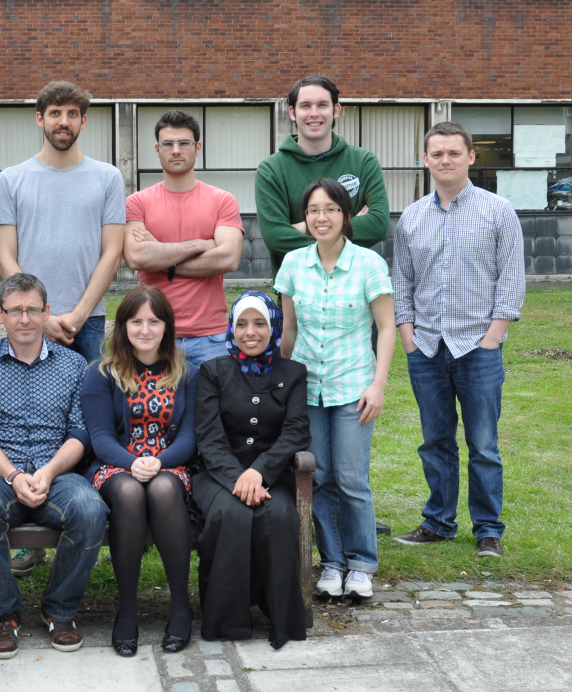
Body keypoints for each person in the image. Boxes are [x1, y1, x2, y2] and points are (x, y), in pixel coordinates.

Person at [391, 121, 525, 558]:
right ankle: (438, 523)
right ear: (425, 160)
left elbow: (511, 280)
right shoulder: (411, 217)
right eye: (437, 153)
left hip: (478, 348)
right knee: (435, 442)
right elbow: (402, 283)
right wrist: (408, 339)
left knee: (483, 444)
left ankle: (488, 529)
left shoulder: (498, 210)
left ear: (470, 156)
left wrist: (492, 339)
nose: (445, 160)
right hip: (427, 347)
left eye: (453, 152)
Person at [0, 273, 108, 659]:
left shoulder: (75, 364)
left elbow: (80, 432)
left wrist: (48, 472)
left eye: (32, 310)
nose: (24, 319)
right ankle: (3, 615)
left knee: (91, 509)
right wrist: (12, 474)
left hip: (56, 473)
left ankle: (60, 610)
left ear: (46, 312)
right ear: (0, 314)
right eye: (15, 311)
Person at [275, 178, 396, 601]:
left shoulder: (368, 264)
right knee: (318, 476)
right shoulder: (293, 264)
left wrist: (378, 385)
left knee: (351, 478)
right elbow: (289, 331)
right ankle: (332, 561)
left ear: (346, 215)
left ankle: (361, 564)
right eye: (313, 210)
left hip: (353, 387)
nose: (321, 217)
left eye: (330, 209)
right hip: (308, 390)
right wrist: (279, 383)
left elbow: (386, 328)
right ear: (305, 218)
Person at [80, 286, 199, 656]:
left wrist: (159, 462)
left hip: (170, 463)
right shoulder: (101, 373)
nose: (145, 330)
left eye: (154, 321)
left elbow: (190, 437)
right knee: (130, 493)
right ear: (122, 326)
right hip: (114, 465)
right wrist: (132, 463)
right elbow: (100, 437)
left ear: (167, 327)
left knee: (163, 489)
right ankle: (128, 609)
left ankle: (180, 606)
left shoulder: (188, 373)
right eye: (136, 322)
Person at [193, 291, 309, 649]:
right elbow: (209, 438)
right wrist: (238, 478)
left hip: (271, 475)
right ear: (231, 328)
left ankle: (280, 617)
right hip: (217, 475)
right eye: (241, 324)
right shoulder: (213, 372)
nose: (250, 332)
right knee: (230, 513)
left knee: (278, 514)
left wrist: (259, 473)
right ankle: (227, 621)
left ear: (274, 326)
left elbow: (296, 431)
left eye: (260, 323)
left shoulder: (293, 373)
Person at [0, 80, 126, 363]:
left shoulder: (108, 178)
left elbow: (112, 254)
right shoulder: (10, 180)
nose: (64, 121)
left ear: (83, 121)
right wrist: (38, 315)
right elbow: (4, 257)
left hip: (89, 321)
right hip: (28, 321)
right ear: (40, 119)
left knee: (91, 392)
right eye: (55, 113)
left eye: (72, 114)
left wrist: (80, 314)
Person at [123, 109, 244, 367]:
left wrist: (160, 255)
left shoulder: (222, 200)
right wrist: (201, 244)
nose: (176, 150)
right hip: (155, 335)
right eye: (168, 144)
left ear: (197, 148)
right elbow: (136, 257)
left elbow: (228, 258)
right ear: (157, 149)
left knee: (212, 397)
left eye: (184, 143)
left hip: (211, 337)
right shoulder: (137, 202)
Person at [256, 74, 389, 287]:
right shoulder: (271, 170)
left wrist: (302, 226)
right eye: (305, 106)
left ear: (336, 110)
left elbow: (378, 226)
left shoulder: (363, 162)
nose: (314, 113)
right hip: (297, 297)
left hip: (356, 293)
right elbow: (276, 238)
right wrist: (346, 222)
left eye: (322, 105)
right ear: (292, 113)